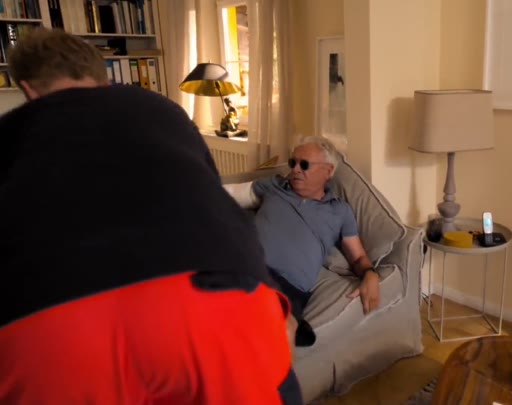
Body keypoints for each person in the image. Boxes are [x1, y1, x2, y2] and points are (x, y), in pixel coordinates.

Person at [0, 28, 301, 404]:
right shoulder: (162, 111)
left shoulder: (9, 135)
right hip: (212, 299)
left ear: (27, 89)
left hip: (49, 327)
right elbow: (215, 209)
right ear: (105, 79)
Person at [224, 136, 381, 346]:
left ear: (328, 171)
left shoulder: (339, 211)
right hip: (246, 266)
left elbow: (358, 256)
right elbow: (226, 194)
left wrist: (371, 275)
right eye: (293, 162)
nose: (295, 170)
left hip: (288, 287)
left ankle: (277, 319)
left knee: (267, 322)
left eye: (304, 165)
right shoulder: (274, 186)